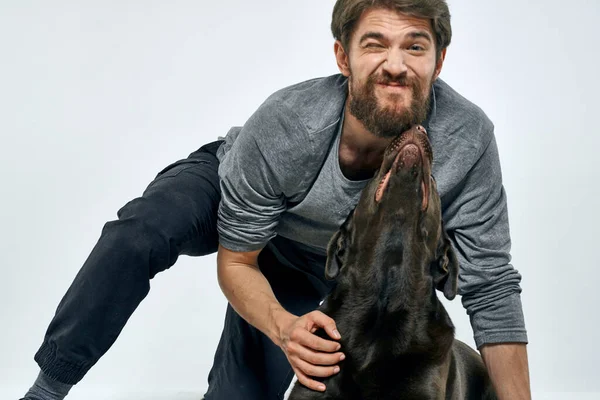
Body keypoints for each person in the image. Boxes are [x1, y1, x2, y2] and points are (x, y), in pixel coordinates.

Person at [21, 1, 531, 399]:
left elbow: (491, 287)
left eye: (414, 47)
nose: (395, 64)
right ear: (343, 57)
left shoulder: (467, 138)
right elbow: (238, 261)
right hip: (236, 189)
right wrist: (283, 328)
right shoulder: (291, 123)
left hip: (323, 257)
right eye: (375, 44)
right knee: (139, 234)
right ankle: (47, 390)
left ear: (439, 60)